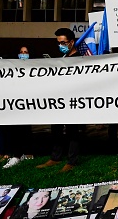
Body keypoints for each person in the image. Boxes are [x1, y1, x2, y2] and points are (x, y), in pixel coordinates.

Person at [35, 28, 85, 172]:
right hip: (58, 101)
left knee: (72, 131)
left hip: (73, 102)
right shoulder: (60, 59)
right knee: (56, 128)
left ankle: (72, 161)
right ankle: (55, 157)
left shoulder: (80, 59)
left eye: (63, 42)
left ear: (71, 42)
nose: (60, 45)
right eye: (58, 43)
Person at [1, 46, 35, 168]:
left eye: (26, 52)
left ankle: (27, 153)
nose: (23, 54)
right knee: (15, 130)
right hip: (16, 103)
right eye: (21, 52)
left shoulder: (35, 66)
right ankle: (16, 155)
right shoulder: (13, 67)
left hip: (29, 103)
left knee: (26, 130)